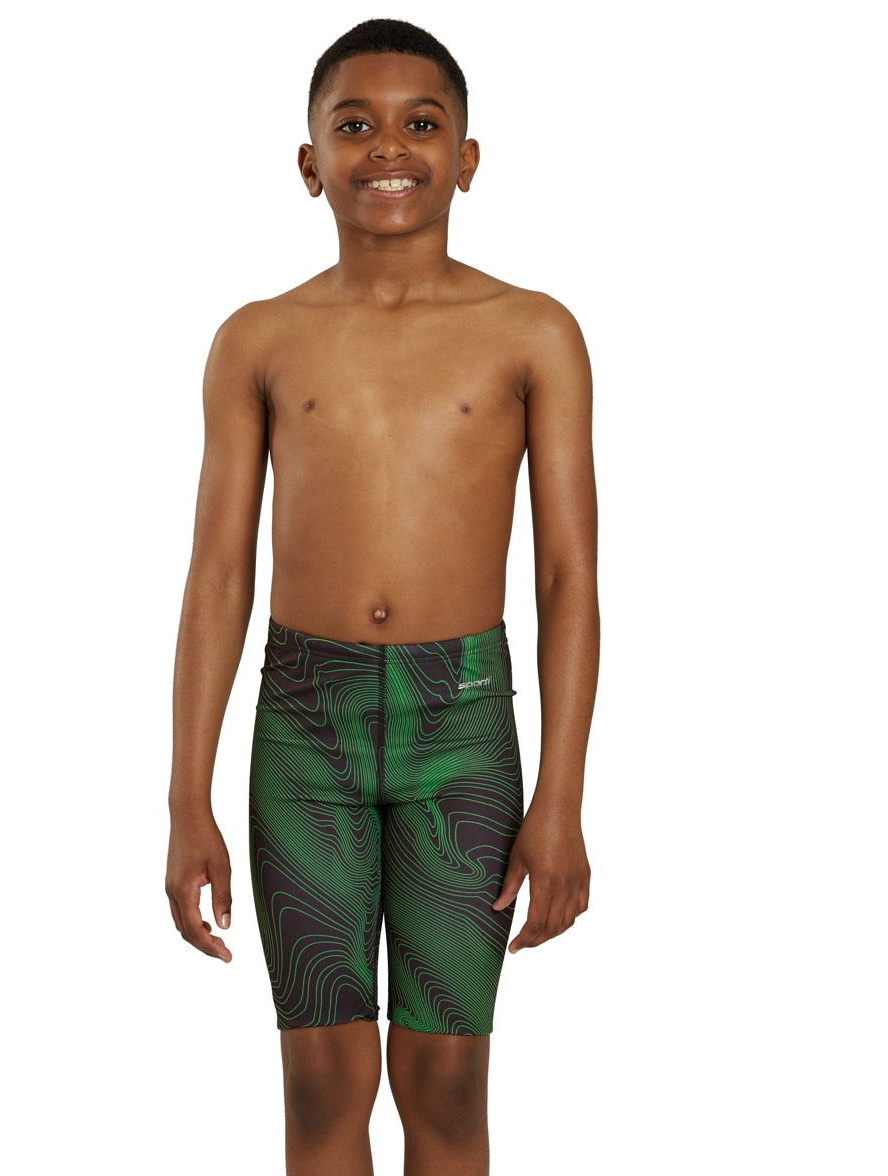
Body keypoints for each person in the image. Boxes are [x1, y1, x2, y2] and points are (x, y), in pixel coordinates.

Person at [165, 18, 598, 1175]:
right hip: (304, 727)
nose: (388, 147)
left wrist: (560, 797)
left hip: (463, 730)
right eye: (354, 125)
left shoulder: (533, 333)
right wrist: (186, 796)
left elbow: (568, 578)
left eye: (422, 123)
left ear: (467, 158)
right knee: (320, 1079)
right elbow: (217, 575)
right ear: (310, 161)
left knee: (446, 1077)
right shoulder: (258, 338)